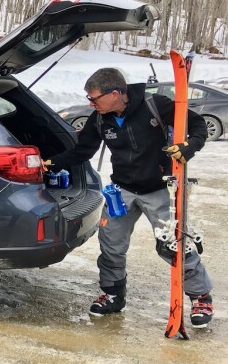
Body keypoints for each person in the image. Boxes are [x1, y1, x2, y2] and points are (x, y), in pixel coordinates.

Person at [44, 67, 214, 326]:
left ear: (115, 93)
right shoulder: (100, 119)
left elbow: (198, 124)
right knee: (111, 243)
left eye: (94, 98)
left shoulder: (155, 105)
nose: (91, 103)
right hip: (121, 190)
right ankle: (113, 294)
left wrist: (191, 145)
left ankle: (200, 296)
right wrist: (50, 164)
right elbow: (81, 151)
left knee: (174, 244)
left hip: (160, 188)